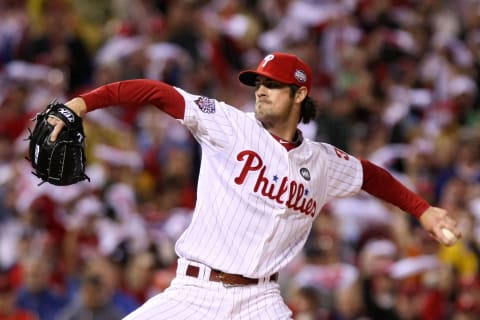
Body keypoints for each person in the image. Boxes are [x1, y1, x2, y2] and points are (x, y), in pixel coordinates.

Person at [47, 52, 461, 319]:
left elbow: (370, 174)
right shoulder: (229, 124)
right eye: (258, 83)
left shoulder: (320, 161)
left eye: (272, 85)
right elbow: (158, 92)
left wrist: (422, 210)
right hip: (196, 291)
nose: (260, 90)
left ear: (299, 94)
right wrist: (80, 104)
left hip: (261, 302)